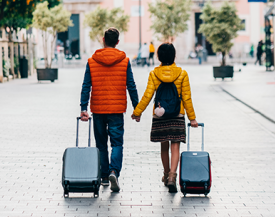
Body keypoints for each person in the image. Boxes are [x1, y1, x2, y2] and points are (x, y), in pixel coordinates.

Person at [131, 43, 199, 193]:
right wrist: (192, 118)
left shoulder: (154, 74)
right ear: (174, 56)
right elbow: (187, 98)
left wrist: (138, 112)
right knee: (175, 146)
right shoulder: (182, 74)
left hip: (160, 114)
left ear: (158, 57)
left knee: (164, 146)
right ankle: (172, 177)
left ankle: (166, 173)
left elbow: (147, 96)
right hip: (177, 114)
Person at [80, 28, 139, 192]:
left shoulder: (92, 61)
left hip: (98, 109)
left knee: (101, 144)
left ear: (103, 39)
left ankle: (104, 176)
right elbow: (131, 86)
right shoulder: (124, 61)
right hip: (116, 110)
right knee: (117, 143)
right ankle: (114, 171)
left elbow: (86, 86)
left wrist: (83, 108)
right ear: (117, 42)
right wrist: (137, 108)